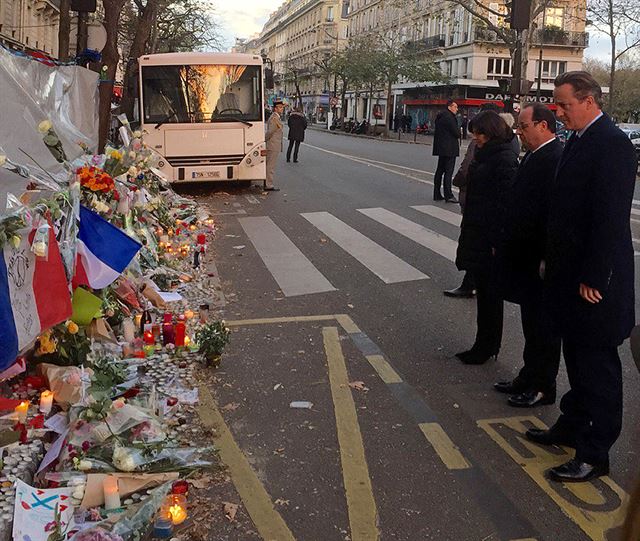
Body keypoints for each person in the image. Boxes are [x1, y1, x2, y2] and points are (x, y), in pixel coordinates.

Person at [525, 71, 637, 482]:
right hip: (569, 276)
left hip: (595, 283)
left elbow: (608, 218)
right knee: (576, 359)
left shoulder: (613, 145)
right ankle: (571, 427)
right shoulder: (580, 139)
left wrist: (594, 276)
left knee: (598, 368)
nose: (558, 111)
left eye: (564, 104)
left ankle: (596, 452)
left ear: (589, 101)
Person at [494, 103, 562, 408]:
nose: (518, 132)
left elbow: (551, 214)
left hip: (538, 258)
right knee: (530, 322)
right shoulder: (536, 155)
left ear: (543, 126)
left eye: (523, 126)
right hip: (524, 254)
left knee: (542, 327)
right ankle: (529, 374)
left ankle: (542, 385)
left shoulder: (553, 158)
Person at [454, 111, 518, 365]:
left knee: (491, 297)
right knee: (485, 294)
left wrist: (496, 242)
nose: (475, 138)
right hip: (478, 232)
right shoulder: (488, 154)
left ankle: (487, 346)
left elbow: (504, 205)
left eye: (479, 133)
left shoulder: (503, 159)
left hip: (488, 238)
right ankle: (483, 343)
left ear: (490, 132)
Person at [445, 118, 477, 298]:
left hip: (475, 202)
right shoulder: (510, 141)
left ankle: (470, 283)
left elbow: (467, 167)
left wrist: (457, 181)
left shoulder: (480, 143)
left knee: (471, 239)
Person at [432, 100, 461, 203]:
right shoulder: (450, 118)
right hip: (450, 148)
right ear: (449, 107)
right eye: (455, 107)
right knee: (448, 172)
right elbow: (456, 133)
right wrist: (459, 132)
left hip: (441, 148)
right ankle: (448, 195)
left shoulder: (440, 117)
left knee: (440, 170)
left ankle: (437, 193)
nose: (457, 109)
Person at [264, 99, 285, 192]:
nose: (282, 109)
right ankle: (268, 184)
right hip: (272, 145)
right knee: (270, 166)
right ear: (275, 108)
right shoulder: (274, 118)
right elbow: (270, 132)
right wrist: (264, 140)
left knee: (270, 164)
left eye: (282, 107)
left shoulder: (276, 117)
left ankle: (267, 183)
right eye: (280, 107)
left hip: (273, 144)